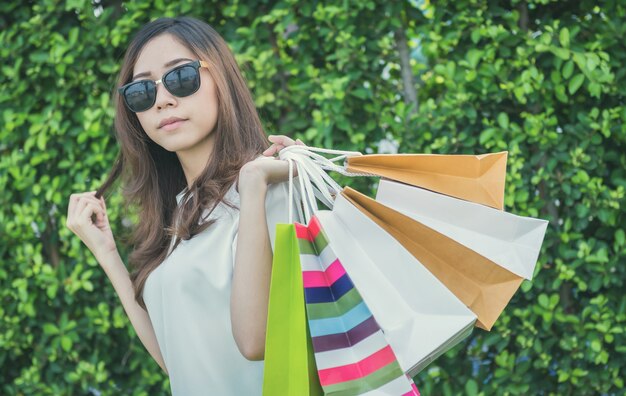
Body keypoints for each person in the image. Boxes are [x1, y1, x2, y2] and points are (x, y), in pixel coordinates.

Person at [65, 16, 304, 395]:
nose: (163, 100)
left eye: (180, 78)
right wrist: (107, 254)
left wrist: (254, 183)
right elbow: (177, 361)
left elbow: (255, 342)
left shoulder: (276, 190)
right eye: (142, 92)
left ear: (220, 78)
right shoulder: (180, 213)